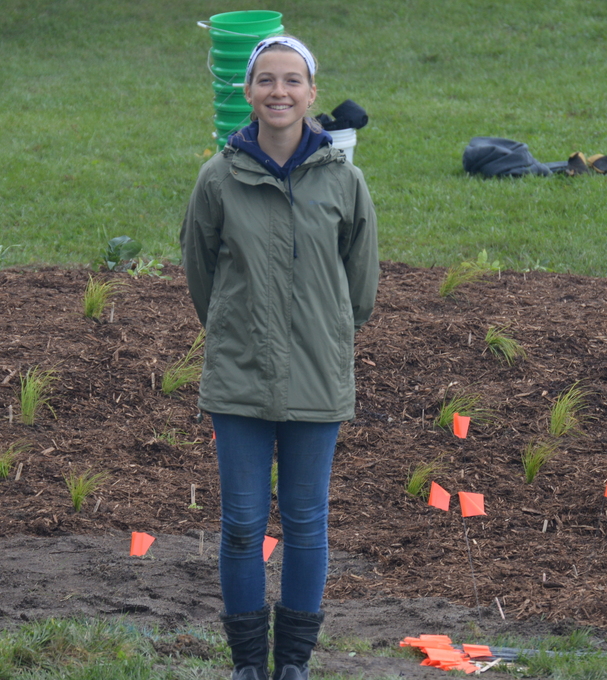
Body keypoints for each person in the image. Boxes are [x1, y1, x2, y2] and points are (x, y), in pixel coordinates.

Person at [179, 35, 379, 680]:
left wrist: (321, 334)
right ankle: (248, 667)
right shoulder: (218, 178)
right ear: (248, 92)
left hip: (318, 378)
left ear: (312, 93)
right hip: (238, 378)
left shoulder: (345, 182)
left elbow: (362, 286)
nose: (279, 92)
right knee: (240, 525)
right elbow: (201, 272)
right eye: (266, 80)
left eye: (292, 81)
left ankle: (291, 665)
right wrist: (240, 331)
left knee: (306, 523)